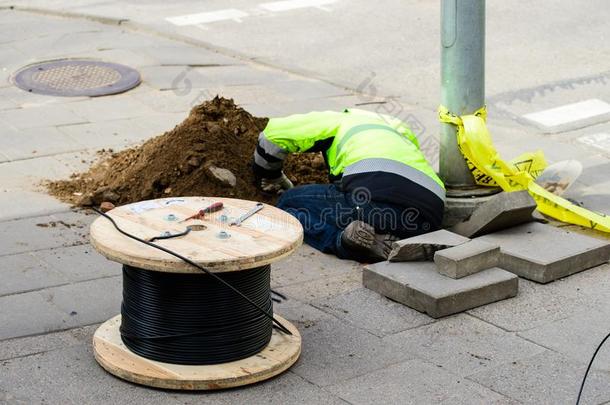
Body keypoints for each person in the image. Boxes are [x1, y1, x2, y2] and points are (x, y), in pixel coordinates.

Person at [252, 108, 445, 262]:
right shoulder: (397, 128)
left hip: (372, 202)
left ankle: (343, 241)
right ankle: (401, 238)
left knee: (287, 203)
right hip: (431, 212)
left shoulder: (337, 121)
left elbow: (271, 136)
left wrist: (271, 177)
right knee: (377, 208)